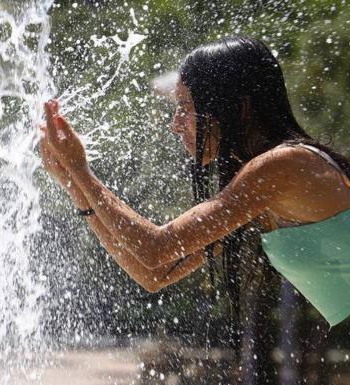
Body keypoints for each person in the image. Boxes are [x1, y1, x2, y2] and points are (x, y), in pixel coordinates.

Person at [39, 36, 350, 328]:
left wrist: (80, 169)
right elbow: (155, 274)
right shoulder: (263, 188)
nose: (175, 125)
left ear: (238, 109)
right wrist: (72, 182)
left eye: (185, 107)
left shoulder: (283, 166)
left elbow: (155, 248)